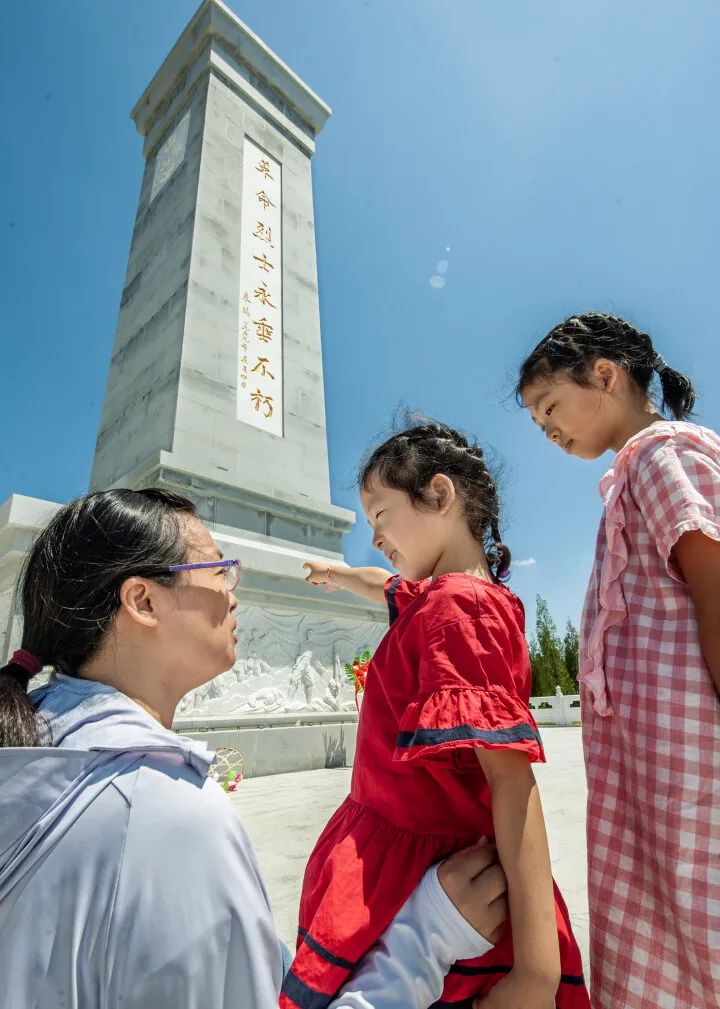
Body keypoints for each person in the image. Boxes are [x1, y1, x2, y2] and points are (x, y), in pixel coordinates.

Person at [0, 487, 510, 1009]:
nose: (233, 593)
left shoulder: (33, 747)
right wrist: (428, 937)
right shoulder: (162, 812)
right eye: (220, 571)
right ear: (143, 601)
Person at [290, 421, 590, 1009]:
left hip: (431, 885)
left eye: (380, 515)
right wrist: (338, 575)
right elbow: (385, 585)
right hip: (414, 863)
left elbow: (511, 779)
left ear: (441, 495)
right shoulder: (439, 597)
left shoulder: (458, 609)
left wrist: (535, 973)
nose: (374, 537)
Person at [517, 312, 720, 1008]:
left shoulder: (665, 453)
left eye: (550, 406)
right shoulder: (630, 475)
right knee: (663, 916)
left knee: (698, 915)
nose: (548, 429)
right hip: (653, 767)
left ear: (604, 374)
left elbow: (713, 581)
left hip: (694, 760)